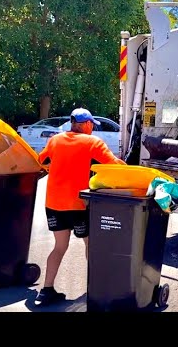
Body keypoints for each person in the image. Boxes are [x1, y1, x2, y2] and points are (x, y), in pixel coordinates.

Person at [35, 108, 126, 306]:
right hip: (78, 204)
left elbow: (40, 161)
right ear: (85, 124)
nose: (92, 128)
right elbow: (113, 165)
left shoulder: (55, 140)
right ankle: (97, 289)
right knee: (90, 245)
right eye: (92, 124)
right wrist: (131, 171)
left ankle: (46, 290)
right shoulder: (92, 142)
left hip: (53, 204)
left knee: (59, 247)